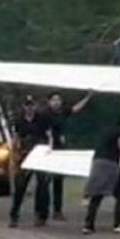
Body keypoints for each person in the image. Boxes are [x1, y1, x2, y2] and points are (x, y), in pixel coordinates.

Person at [82, 115, 120, 234]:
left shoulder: (104, 132)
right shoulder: (118, 132)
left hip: (97, 164)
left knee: (96, 196)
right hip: (110, 165)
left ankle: (88, 225)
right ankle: (118, 224)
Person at [44, 90, 94, 221]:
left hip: (60, 149)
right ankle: (42, 211)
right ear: (49, 102)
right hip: (47, 149)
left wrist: (88, 97)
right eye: (54, 100)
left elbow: (75, 109)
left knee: (58, 181)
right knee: (44, 181)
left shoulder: (62, 112)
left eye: (58, 100)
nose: (56, 102)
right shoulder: (45, 114)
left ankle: (57, 210)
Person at [9, 96, 52, 228]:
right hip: (25, 154)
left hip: (39, 154)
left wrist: (49, 150)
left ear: (35, 106)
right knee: (20, 186)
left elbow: (49, 136)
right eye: (27, 105)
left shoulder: (42, 119)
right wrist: (14, 155)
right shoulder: (19, 120)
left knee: (43, 186)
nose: (30, 108)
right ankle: (14, 215)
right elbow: (16, 138)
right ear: (24, 107)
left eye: (32, 105)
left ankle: (41, 215)